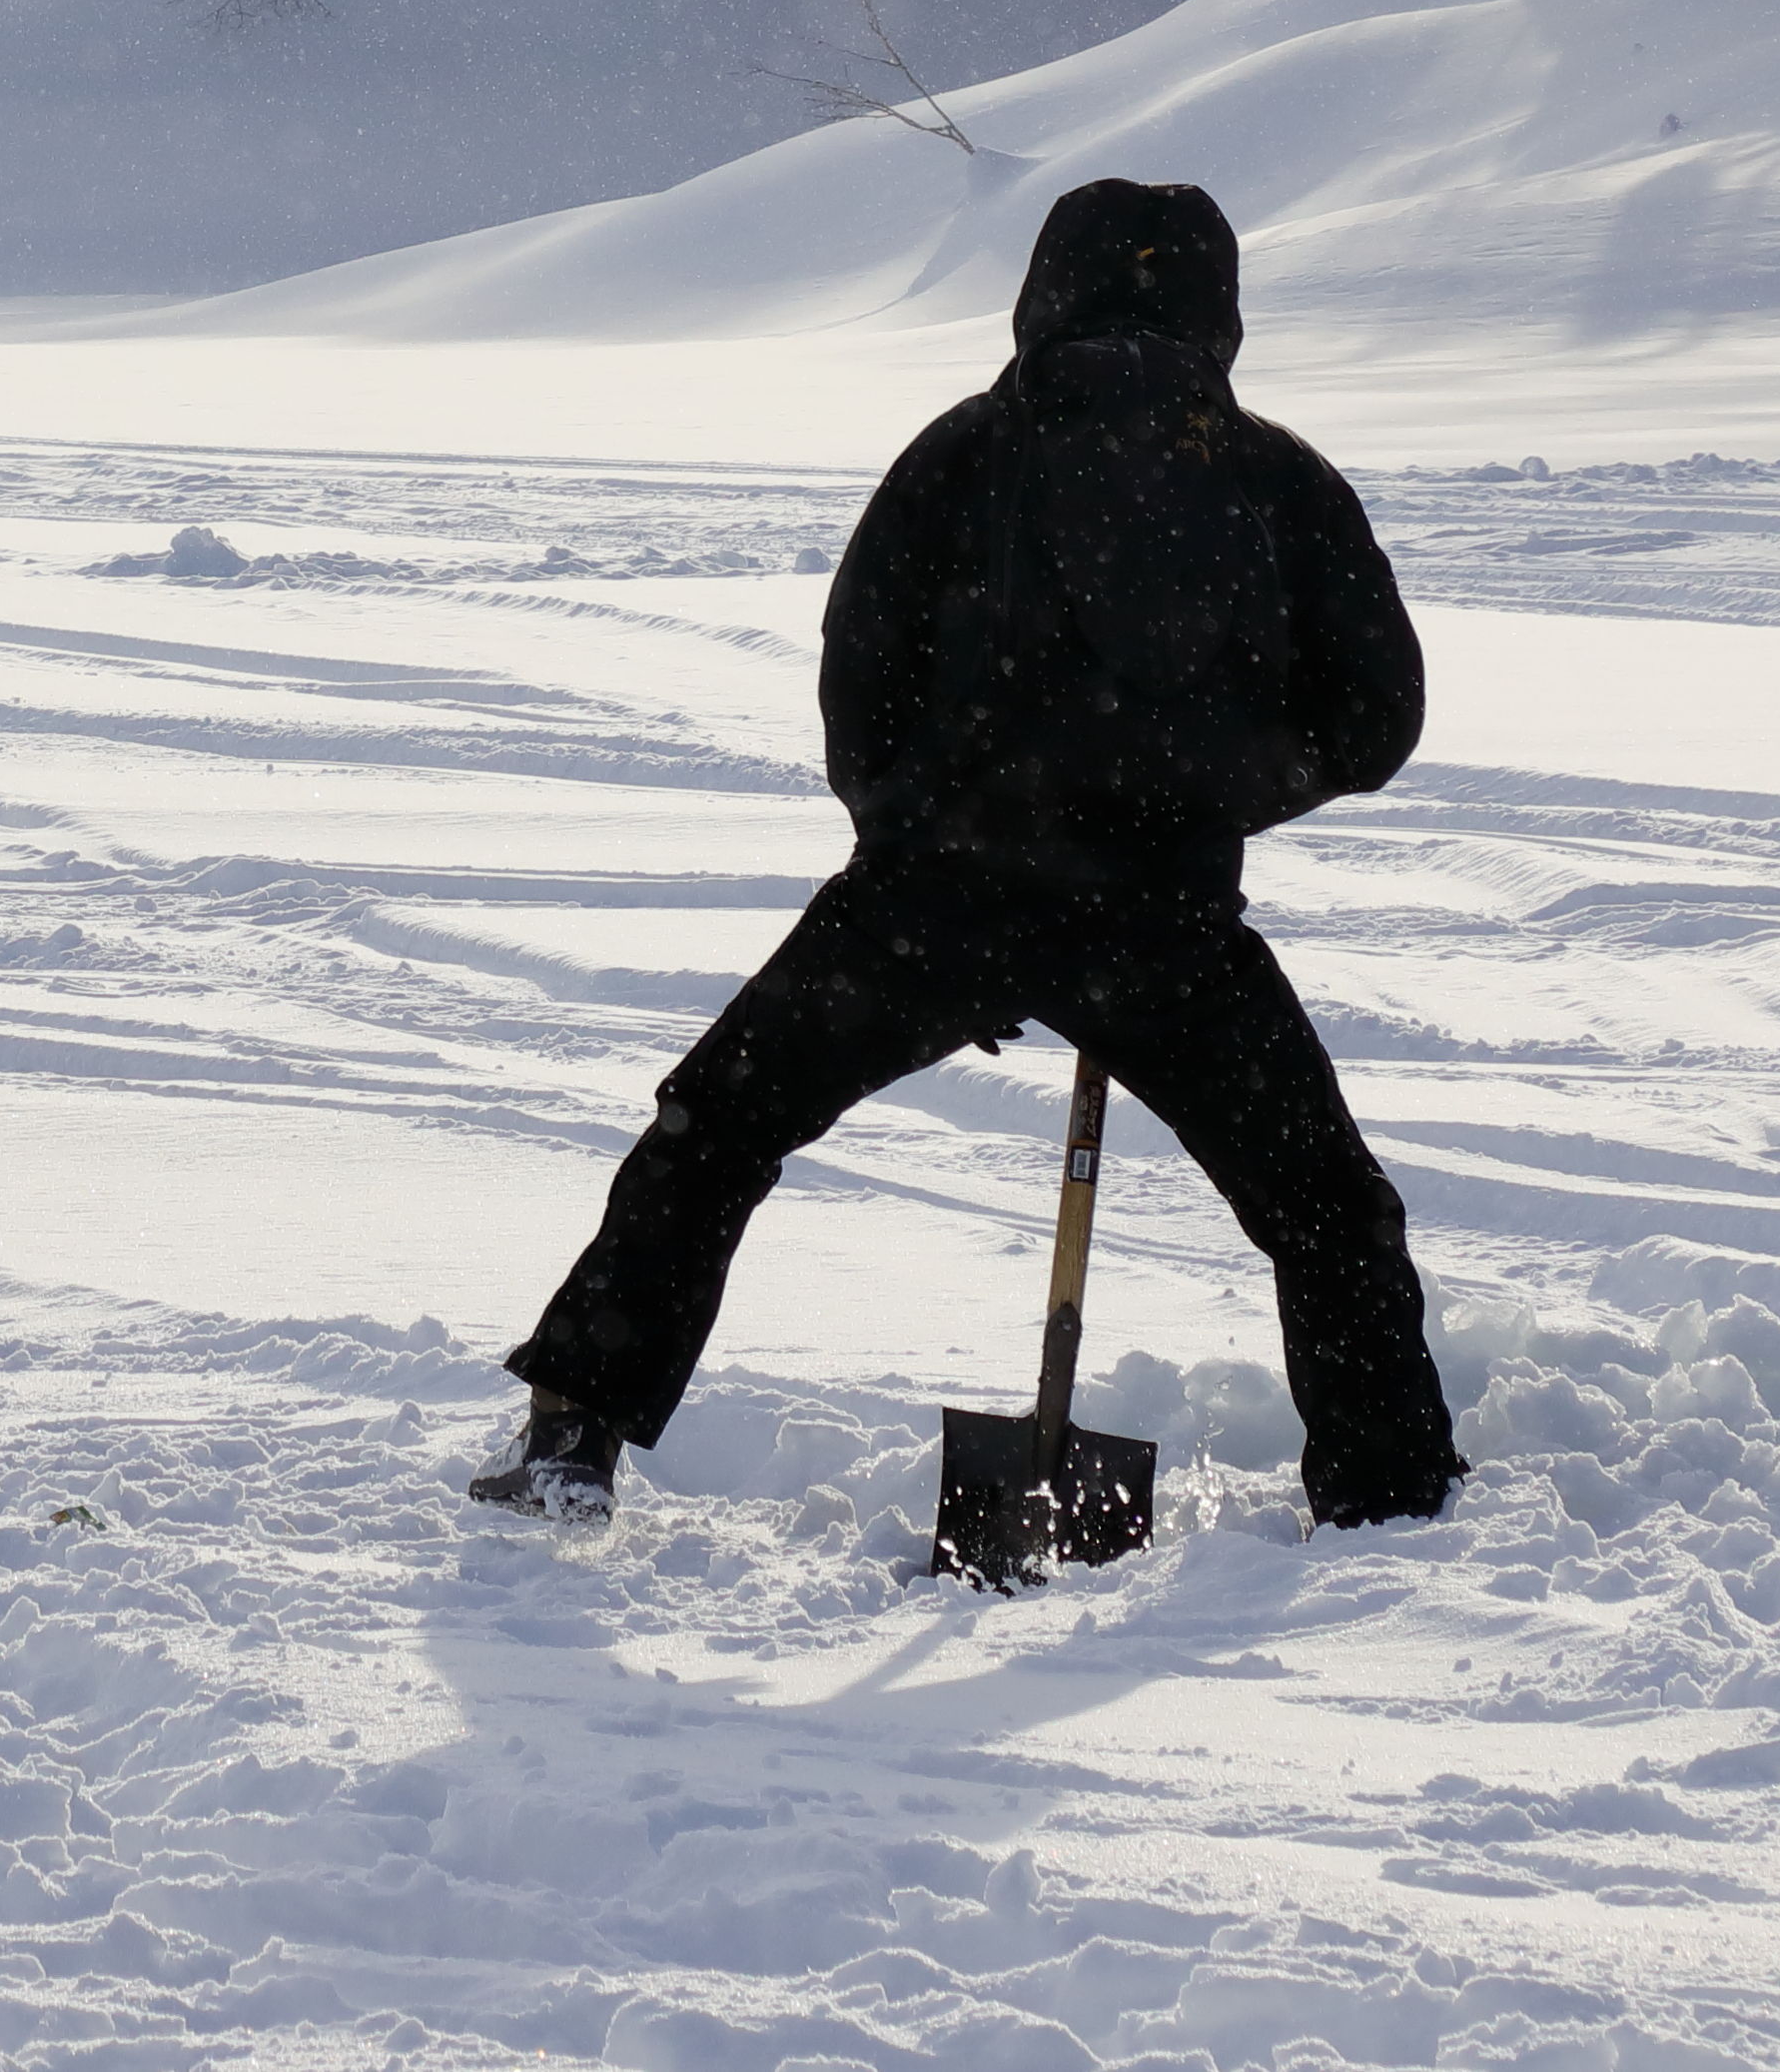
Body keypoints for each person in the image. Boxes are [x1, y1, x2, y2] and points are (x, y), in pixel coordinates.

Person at [473, 176, 1464, 1535]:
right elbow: (1376, 714)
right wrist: (1211, 795)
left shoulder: (959, 452)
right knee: (1327, 1208)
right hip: (1161, 921)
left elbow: (856, 682)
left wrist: (922, 835)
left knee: (715, 1128)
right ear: (1217, 307)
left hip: (933, 904)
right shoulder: (1274, 477)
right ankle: (1393, 1491)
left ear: (1044, 288)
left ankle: (572, 1433)